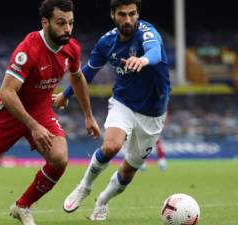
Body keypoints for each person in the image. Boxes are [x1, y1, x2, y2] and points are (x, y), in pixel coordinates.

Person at [0, 0, 100, 224]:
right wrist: (33, 126)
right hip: (9, 112)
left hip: (41, 109)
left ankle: (22, 206)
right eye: (61, 23)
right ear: (45, 22)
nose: (67, 29)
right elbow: (7, 93)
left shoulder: (72, 47)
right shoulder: (28, 49)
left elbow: (78, 77)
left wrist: (88, 116)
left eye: (71, 23)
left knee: (59, 159)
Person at [54, 0, 171, 221]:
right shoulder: (106, 42)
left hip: (154, 113)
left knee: (128, 172)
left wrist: (143, 59)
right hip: (123, 102)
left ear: (137, 14)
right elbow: (86, 73)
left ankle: (102, 201)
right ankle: (84, 187)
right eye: (122, 14)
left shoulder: (148, 33)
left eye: (132, 14)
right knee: (111, 146)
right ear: (112, 15)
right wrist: (64, 94)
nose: (128, 19)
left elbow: (154, 51)